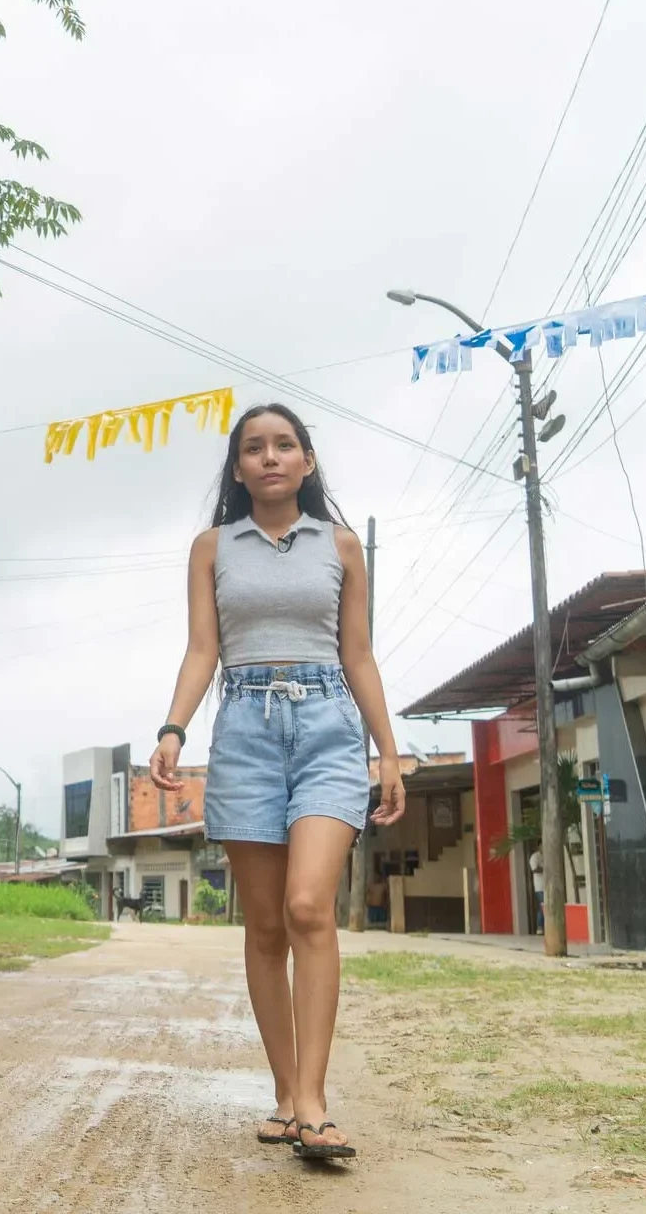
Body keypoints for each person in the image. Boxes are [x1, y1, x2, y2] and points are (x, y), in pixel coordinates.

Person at [150, 403, 405, 1162]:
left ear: (306, 461)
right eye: (254, 448)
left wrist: (388, 753)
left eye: (284, 445)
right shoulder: (211, 548)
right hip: (245, 730)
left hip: (328, 728)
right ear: (237, 468)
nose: (269, 457)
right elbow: (202, 649)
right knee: (264, 927)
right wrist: (173, 728)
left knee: (306, 907)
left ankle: (315, 1105)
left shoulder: (341, 545)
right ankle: (287, 1095)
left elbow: (358, 655)